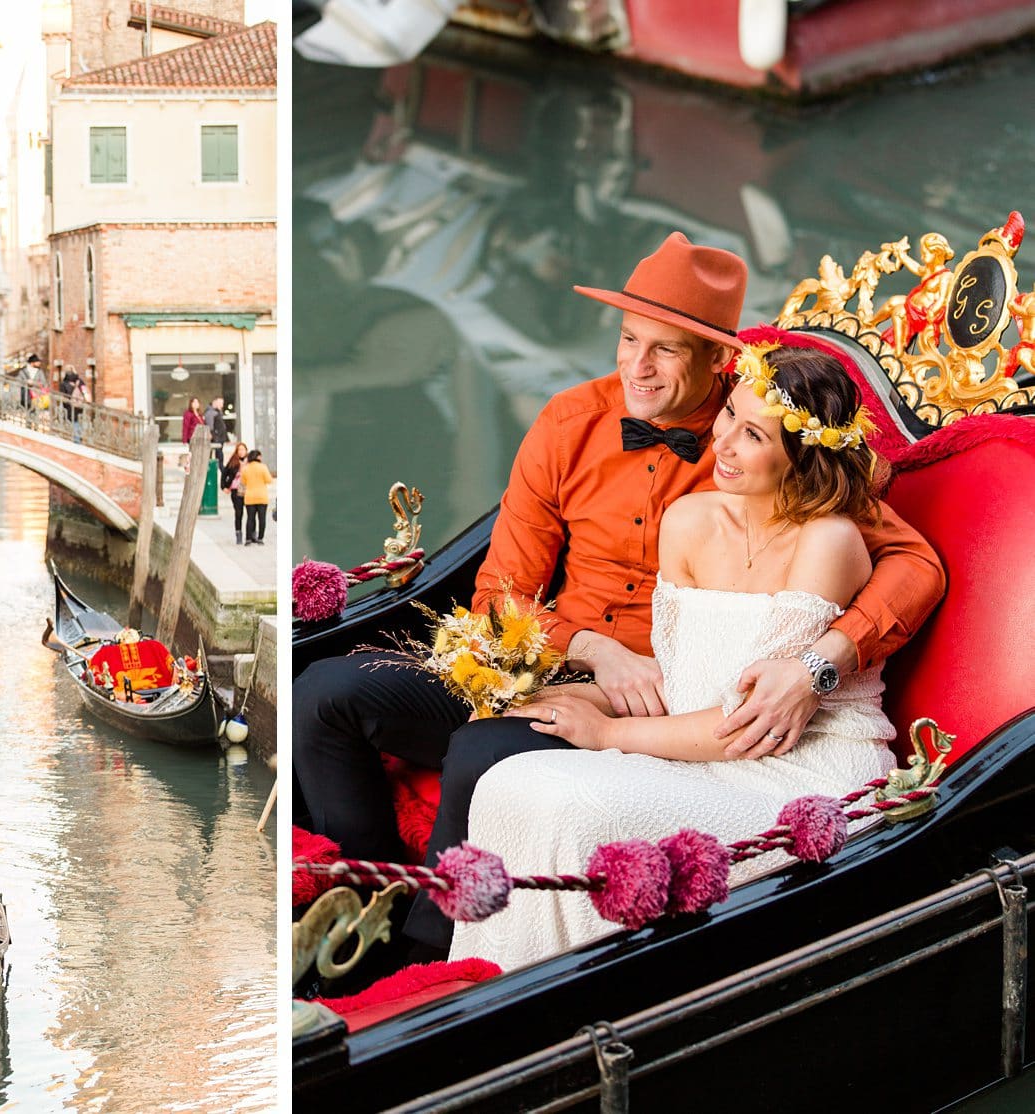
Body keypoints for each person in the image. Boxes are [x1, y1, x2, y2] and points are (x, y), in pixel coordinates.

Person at [292, 232, 945, 960]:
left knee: (484, 754)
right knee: (324, 691)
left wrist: (821, 662)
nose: (639, 366)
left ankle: (418, 957)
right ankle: (366, 900)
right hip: (545, 656)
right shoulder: (569, 424)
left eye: (666, 350)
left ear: (720, 363)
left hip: (664, 696)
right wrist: (593, 651)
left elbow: (914, 565)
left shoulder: (767, 449)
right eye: (630, 339)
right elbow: (500, 594)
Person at [453, 329, 922, 967]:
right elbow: (686, 676)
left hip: (805, 769)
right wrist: (567, 696)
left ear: (801, 458)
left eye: (754, 435)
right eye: (730, 414)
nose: (722, 442)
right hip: (705, 744)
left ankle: (576, 1003)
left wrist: (602, 735)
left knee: (563, 805)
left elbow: (752, 726)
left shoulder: (829, 543)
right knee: (510, 782)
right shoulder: (690, 520)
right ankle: (491, 987)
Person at [240, 449, 273, 545]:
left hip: (249, 497)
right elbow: (269, 480)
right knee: (261, 518)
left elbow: (243, 481)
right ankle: (260, 538)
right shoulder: (263, 467)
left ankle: (248, 539)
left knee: (250, 518)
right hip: (262, 496)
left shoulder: (246, 468)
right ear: (258, 457)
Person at [221, 442, 249, 544]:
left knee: (251, 513)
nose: (241, 452)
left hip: (248, 490)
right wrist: (224, 486)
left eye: (243, 449)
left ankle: (251, 535)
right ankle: (238, 534)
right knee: (238, 513)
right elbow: (224, 473)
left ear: (246, 451)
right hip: (236, 490)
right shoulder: (233, 461)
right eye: (239, 450)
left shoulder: (250, 461)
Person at [203, 396, 229, 466]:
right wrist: (214, 436)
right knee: (217, 457)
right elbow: (210, 426)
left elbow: (222, 426)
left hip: (220, 437)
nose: (222, 405)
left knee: (219, 457)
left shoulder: (218, 412)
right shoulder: (211, 413)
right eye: (220, 403)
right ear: (215, 402)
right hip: (216, 438)